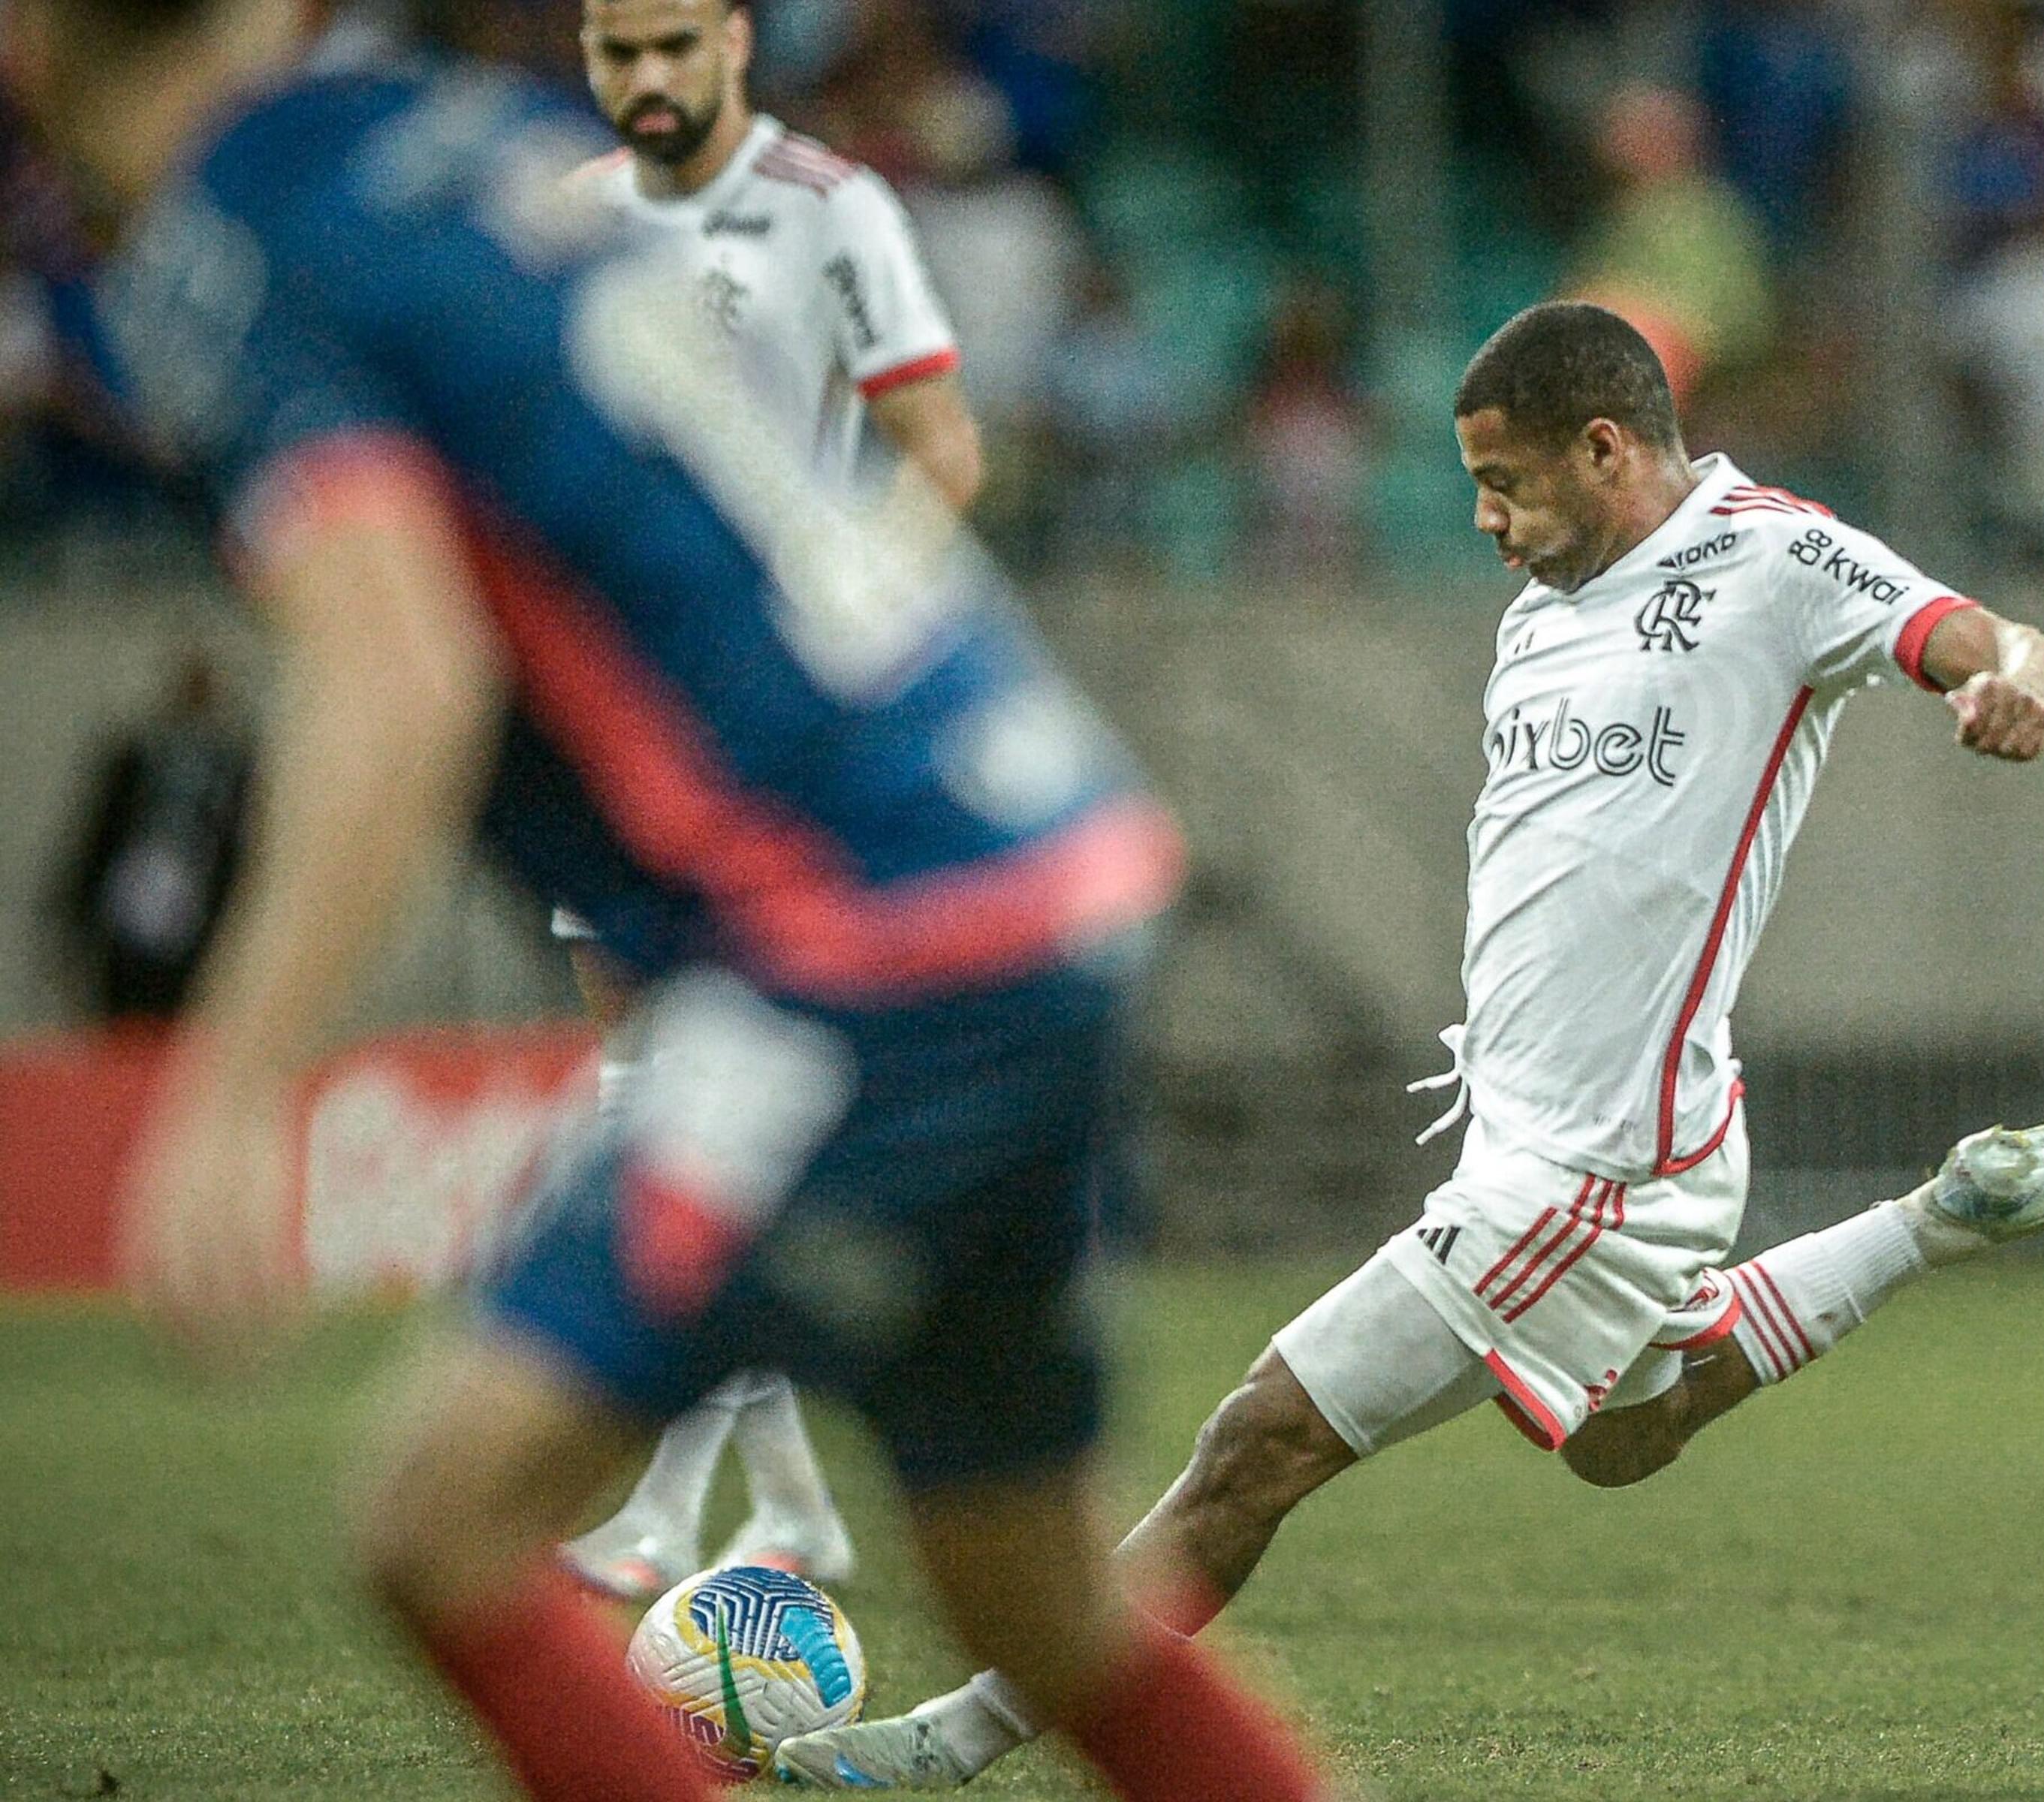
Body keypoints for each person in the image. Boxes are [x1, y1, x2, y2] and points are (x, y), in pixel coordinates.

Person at [9, 2, 1334, 1798]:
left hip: (867, 941)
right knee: (1031, 1588)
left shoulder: (234, 250)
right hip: (1042, 857)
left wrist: (232, 1085)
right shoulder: (449, 134)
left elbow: (399, 676)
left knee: (442, 1517)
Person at [774, 300, 2044, 1789]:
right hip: (1578, 1127)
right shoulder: (1538, 608)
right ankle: (1935, 1218)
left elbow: (2002, 637)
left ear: (1607, 446)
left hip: (1589, 1165)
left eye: (1503, 481)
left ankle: (945, 1748)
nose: (1486, 518)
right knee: (1618, 1442)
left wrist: (2018, 677)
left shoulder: (1774, 557)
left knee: (1259, 1444)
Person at [556, 0, 990, 1602]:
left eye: (676, 45)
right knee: (664, 1093)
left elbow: (942, 452)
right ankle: (777, 1509)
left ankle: (680, 1510)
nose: (649, 80)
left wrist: (840, 628)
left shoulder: (830, 211)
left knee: (686, 1097)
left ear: (736, 40)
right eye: (618, 54)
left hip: (772, 734)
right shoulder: (564, 223)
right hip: (624, 730)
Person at [51, 652, 255, 1020]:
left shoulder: (232, 767)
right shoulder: (138, 757)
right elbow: (101, 834)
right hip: (136, 906)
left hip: (195, 913)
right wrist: (74, 912)